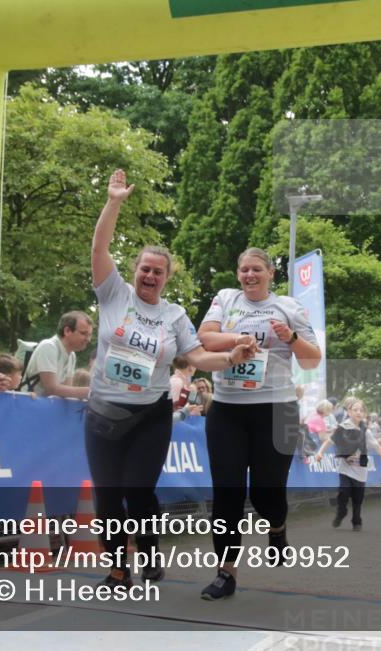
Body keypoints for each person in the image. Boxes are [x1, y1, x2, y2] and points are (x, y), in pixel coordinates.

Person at [87, 169, 255, 589]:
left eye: (158, 272)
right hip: (104, 412)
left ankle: (147, 553)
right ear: (135, 269)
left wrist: (230, 356)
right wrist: (114, 201)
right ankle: (117, 567)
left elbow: (197, 355)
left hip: (150, 415)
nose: (150, 276)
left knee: (138, 490)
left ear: (167, 277)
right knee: (108, 496)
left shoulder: (174, 315)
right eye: (145, 269)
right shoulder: (114, 294)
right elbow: (99, 246)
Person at [197, 246, 321, 600]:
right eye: (244, 270)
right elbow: (205, 337)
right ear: (238, 274)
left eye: (256, 270)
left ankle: (277, 528)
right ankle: (226, 572)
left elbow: (312, 361)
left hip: (277, 409)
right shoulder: (226, 298)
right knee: (227, 494)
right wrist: (238, 339)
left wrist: (291, 338)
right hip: (227, 409)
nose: (249, 276)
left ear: (270, 274)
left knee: (267, 492)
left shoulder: (289, 308)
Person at [314, 398, 381, 530]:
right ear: (349, 412)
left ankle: (356, 520)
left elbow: (378, 447)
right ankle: (341, 512)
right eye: (355, 410)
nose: (358, 412)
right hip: (345, 469)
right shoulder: (342, 428)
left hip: (360, 470)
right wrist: (320, 452)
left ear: (364, 413)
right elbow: (329, 441)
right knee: (343, 493)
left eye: (361, 410)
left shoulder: (365, 431)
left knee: (358, 498)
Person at [22, 311, 93, 399]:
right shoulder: (48, 346)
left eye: (89, 335)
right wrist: (90, 392)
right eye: (83, 333)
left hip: (45, 407)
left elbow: (67, 391)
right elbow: (50, 389)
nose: (88, 339)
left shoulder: (71, 355)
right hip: (28, 405)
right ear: (67, 331)